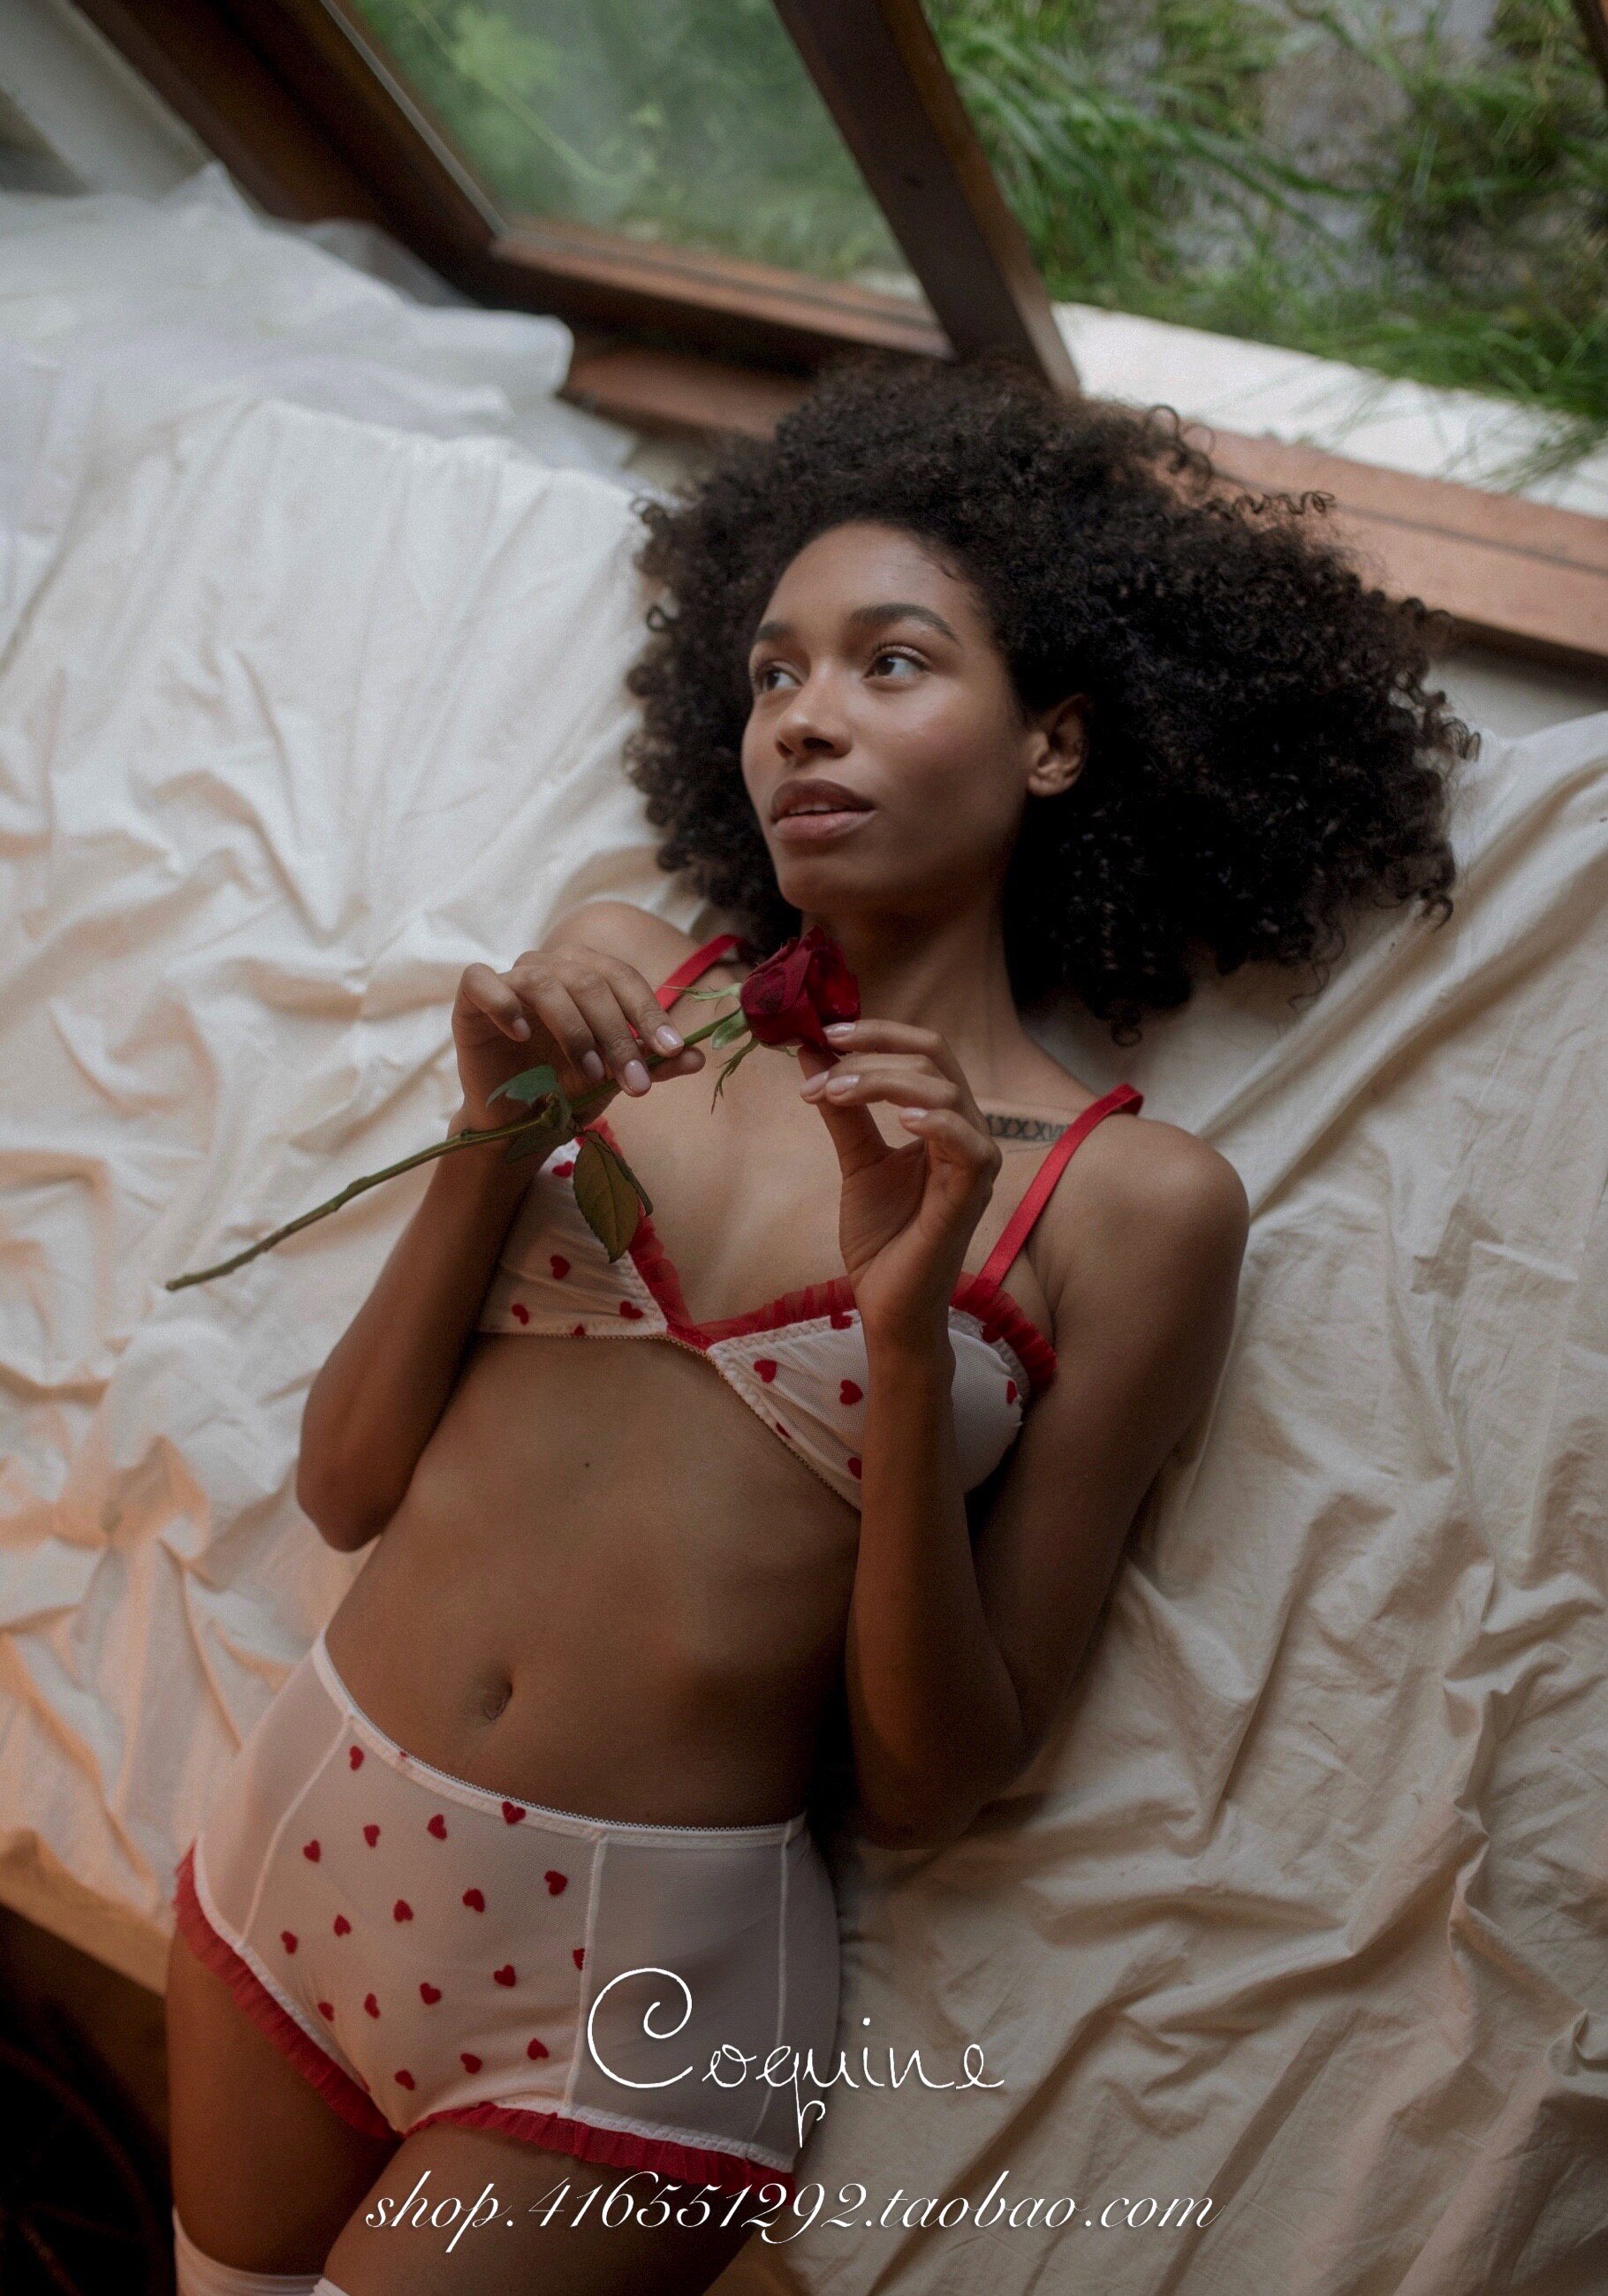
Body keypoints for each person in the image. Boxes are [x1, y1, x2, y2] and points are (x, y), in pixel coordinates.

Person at [164, 352, 1475, 2296]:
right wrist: (491, 1132)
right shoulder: (625, 986)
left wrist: (902, 1340)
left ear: (1054, 742)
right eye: (773, 673)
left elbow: (939, 1779)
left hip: (624, 2010)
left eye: (890, 662)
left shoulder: (1127, 1205)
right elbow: (345, 1484)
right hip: (289, 1842)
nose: (803, 717)